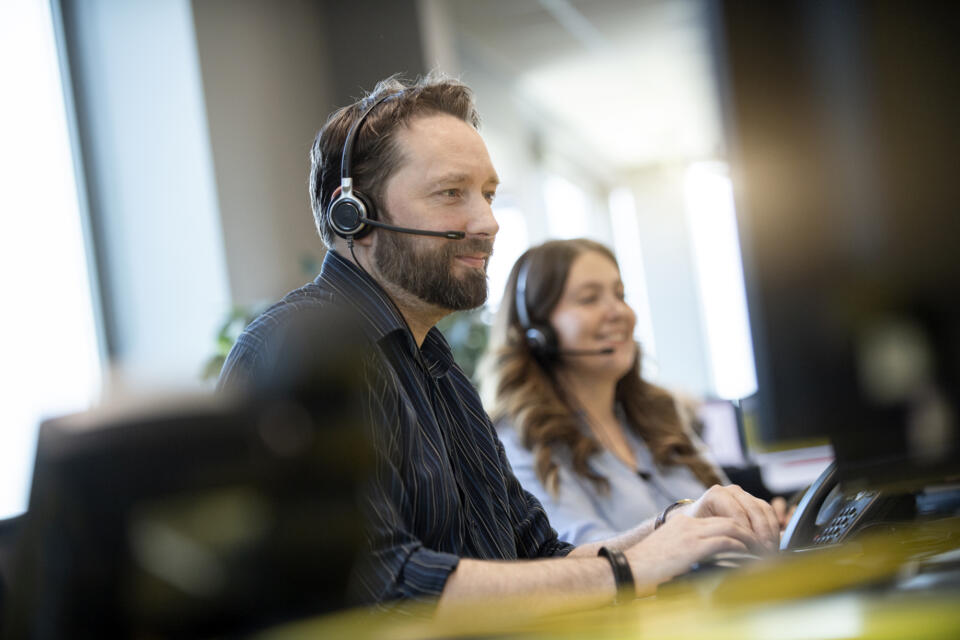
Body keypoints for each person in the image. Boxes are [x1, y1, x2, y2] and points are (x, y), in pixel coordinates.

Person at [218, 73, 781, 618]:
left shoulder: (438, 370)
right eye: (451, 193)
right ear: (354, 214)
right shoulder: (297, 352)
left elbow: (540, 558)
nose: (487, 222)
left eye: (488, 195)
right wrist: (631, 570)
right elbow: (388, 586)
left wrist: (675, 527)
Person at [486, 239, 731, 545]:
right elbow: (577, 553)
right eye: (589, 299)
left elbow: (723, 501)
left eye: (620, 295)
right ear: (538, 332)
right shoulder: (522, 439)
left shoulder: (659, 412)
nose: (619, 312)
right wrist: (687, 525)